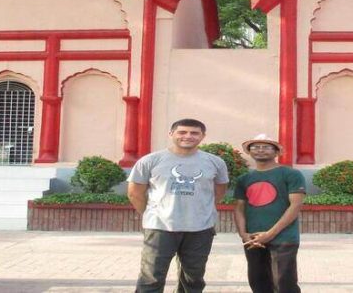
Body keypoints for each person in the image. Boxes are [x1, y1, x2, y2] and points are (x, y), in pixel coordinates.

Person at [127, 118, 229, 293]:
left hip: (200, 228)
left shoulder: (215, 162)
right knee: (151, 278)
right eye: (182, 132)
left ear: (203, 136)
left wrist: (200, 209)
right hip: (160, 227)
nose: (188, 136)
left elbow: (218, 191)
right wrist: (152, 213)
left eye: (194, 133)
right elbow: (134, 192)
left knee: (193, 279)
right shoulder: (150, 160)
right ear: (171, 134)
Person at [233, 134, 306, 293]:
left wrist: (270, 233)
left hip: (284, 238)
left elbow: (295, 206)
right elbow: (239, 208)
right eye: (255, 147)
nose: (260, 150)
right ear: (249, 151)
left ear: (276, 152)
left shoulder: (291, 174)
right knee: (258, 282)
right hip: (253, 239)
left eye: (266, 147)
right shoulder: (244, 179)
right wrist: (244, 234)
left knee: (284, 284)